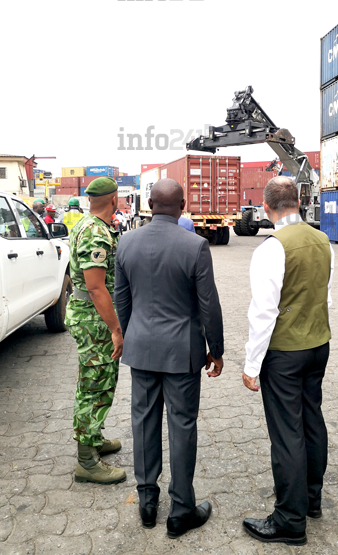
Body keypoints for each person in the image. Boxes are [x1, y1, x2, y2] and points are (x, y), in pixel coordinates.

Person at [115, 178, 224, 538]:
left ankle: (147, 503)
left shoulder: (126, 242)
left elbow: (122, 300)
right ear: (183, 205)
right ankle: (180, 510)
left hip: (142, 351)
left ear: (149, 204)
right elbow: (209, 304)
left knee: (144, 423)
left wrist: (134, 337)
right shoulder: (195, 245)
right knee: (182, 426)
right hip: (182, 353)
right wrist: (216, 349)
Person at [242, 177, 334, 547]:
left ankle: (289, 519)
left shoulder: (272, 247)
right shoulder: (322, 240)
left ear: (266, 208)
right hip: (318, 345)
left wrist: (252, 364)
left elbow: (263, 312)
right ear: (298, 202)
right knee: (312, 420)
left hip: (285, 353)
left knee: (286, 433)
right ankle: (311, 499)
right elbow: (325, 296)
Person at [64, 177, 126, 485]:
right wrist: (116, 329)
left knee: (96, 380)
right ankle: (87, 462)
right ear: (114, 199)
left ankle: (93, 438)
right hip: (94, 320)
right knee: (95, 385)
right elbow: (96, 287)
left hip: (89, 315)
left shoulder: (86, 224)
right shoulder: (96, 232)